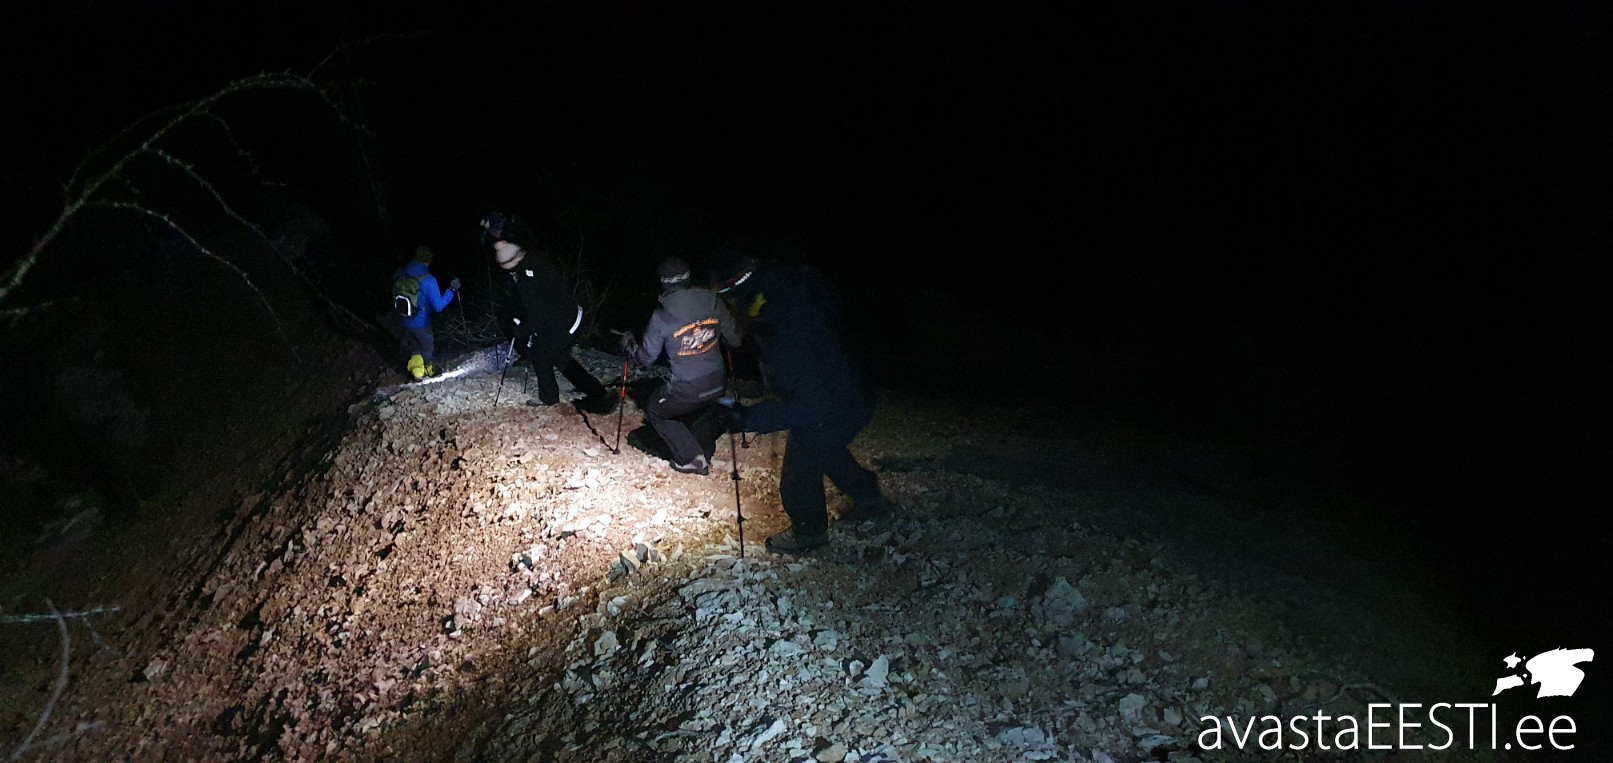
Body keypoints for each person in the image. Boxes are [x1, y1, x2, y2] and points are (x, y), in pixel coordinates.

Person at [707, 246, 895, 553]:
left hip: (835, 404)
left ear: (733, 288)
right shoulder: (783, 286)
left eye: (721, 295)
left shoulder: (784, 328)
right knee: (828, 450)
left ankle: (809, 533)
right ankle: (871, 500)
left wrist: (748, 418)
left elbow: (811, 405)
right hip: (852, 387)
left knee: (799, 473)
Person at [481, 211, 615, 413]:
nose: (506, 269)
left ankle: (550, 399)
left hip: (564, 320)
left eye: (506, 265)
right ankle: (596, 391)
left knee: (541, 357)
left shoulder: (528, 276)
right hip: (566, 317)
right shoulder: (530, 262)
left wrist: (522, 330)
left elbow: (538, 311)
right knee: (561, 358)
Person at [618, 256, 742, 475]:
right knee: (706, 405)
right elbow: (735, 340)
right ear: (688, 278)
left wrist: (630, 347)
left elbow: (646, 359)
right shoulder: (714, 302)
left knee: (656, 410)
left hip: (688, 389)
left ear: (664, 283)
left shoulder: (662, 315)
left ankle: (693, 458)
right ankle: (704, 446)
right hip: (718, 382)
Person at [393, 245, 459, 380]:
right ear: (428, 260)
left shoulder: (402, 272)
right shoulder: (428, 280)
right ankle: (427, 370)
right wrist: (452, 290)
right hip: (421, 322)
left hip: (404, 319)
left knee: (415, 347)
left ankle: (417, 372)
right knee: (427, 347)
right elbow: (438, 306)